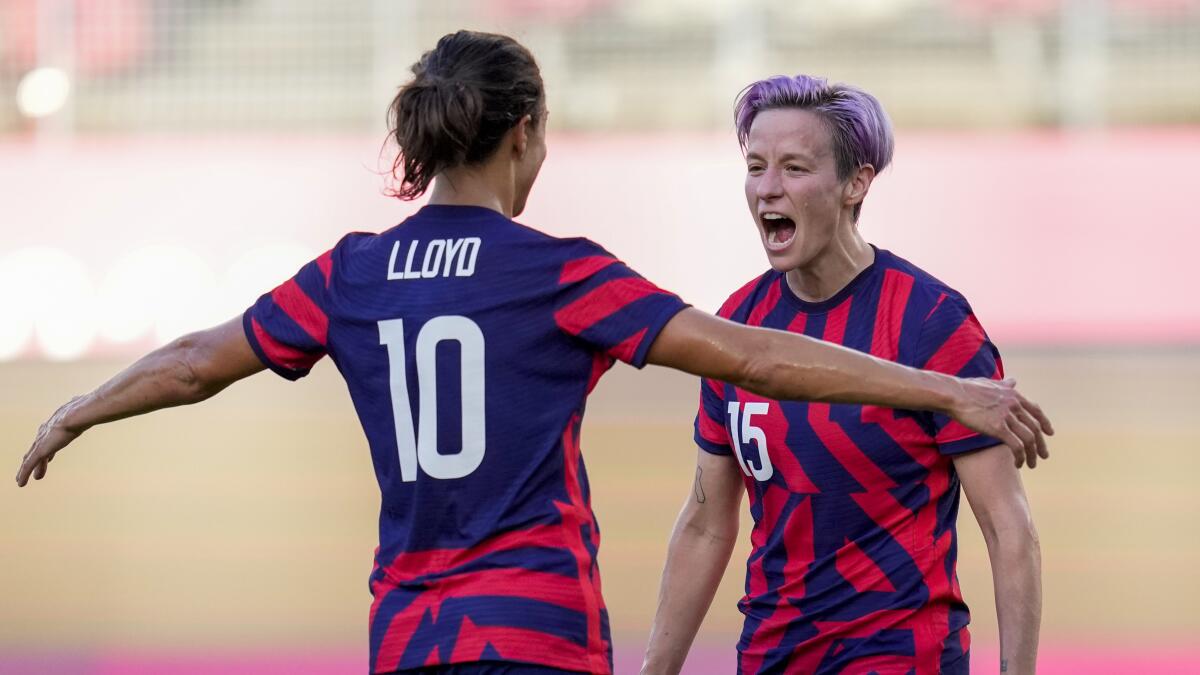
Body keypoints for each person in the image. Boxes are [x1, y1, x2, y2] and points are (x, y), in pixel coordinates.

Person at [16, 35, 1050, 675]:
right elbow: (751, 360)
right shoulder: (557, 274)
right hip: (537, 632)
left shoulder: (352, 275)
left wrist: (81, 408)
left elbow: (200, 359)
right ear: (522, 136)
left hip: (409, 641)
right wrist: (944, 391)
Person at [640, 75, 1044, 675]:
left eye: (795, 168)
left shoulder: (931, 322)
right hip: (771, 654)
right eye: (755, 166)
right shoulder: (739, 323)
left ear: (857, 183)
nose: (767, 189)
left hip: (900, 656)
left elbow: (1008, 528)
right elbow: (705, 523)